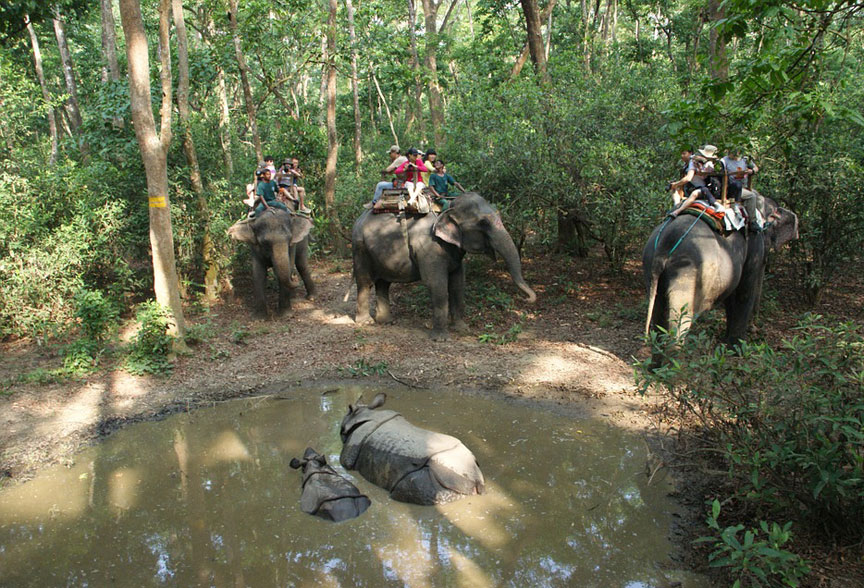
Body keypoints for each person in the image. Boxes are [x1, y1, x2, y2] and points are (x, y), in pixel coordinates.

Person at [669, 145, 720, 218]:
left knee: (694, 193)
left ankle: (678, 211)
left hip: (704, 188)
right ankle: (676, 205)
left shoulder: (709, 165)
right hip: (692, 187)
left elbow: (688, 178)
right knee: (673, 189)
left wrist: (676, 184)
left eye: (684, 153)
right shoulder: (692, 163)